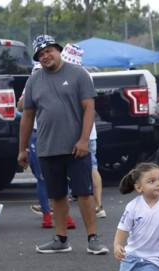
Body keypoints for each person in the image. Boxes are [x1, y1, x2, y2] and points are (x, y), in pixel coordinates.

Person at [17, 35, 108, 255]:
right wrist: (22, 149)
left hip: (76, 147)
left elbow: (88, 108)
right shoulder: (34, 80)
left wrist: (84, 139)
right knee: (56, 194)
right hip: (47, 147)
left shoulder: (79, 74)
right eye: (40, 54)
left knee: (84, 193)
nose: (45, 56)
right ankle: (61, 239)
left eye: (48, 51)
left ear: (58, 50)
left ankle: (93, 239)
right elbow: (27, 115)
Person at [17, 62, 76, 229]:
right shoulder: (32, 83)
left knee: (63, 176)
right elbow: (20, 107)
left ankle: (65, 216)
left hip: (61, 134)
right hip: (38, 135)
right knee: (43, 177)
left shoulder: (62, 81)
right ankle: (46, 215)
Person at [60, 43, 106, 219]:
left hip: (78, 133)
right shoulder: (85, 73)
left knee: (65, 168)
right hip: (89, 132)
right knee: (92, 167)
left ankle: (57, 206)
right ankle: (99, 205)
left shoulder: (74, 75)